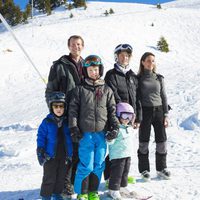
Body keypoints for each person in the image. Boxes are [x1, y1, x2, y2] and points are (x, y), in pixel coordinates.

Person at [68, 55, 119, 200]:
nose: (93, 72)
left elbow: (112, 111)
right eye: (90, 70)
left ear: (100, 70)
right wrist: (73, 128)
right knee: (86, 165)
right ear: (86, 71)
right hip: (86, 134)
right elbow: (73, 111)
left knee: (99, 165)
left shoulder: (107, 90)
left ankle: (93, 192)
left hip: (102, 134)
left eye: (96, 69)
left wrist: (114, 127)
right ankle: (81, 192)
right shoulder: (80, 90)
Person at [45, 35, 84, 197]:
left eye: (79, 44)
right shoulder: (59, 66)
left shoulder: (87, 64)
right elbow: (50, 91)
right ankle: (64, 183)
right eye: (73, 44)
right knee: (66, 151)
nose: (76, 47)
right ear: (69, 46)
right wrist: (55, 113)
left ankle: (74, 182)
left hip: (83, 114)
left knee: (80, 150)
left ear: (83, 46)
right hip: (66, 115)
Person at [104, 44, 141, 181]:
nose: (125, 58)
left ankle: (122, 176)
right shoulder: (111, 74)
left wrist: (137, 117)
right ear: (117, 57)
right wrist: (123, 113)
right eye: (122, 55)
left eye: (127, 55)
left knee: (125, 147)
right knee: (114, 148)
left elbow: (137, 97)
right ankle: (109, 178)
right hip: (117, 116)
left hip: (130, 118)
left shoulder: (133, 76)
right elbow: (112, 94)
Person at [137, 52, 170, 181]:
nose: (151, 63)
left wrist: (166, 114)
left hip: (159, 111)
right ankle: (144, 170)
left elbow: (164, 96)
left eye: (153, 61)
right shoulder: (138, 79)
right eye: (149, 60)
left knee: (162, 141)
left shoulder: (159, 78)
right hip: (145, 112)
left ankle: (162, 168)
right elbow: (137, 97)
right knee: (144, 142)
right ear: (143, 62)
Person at [36, 92, 73, 200]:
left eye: (61, 106)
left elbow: (71, 138)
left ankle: (57, 194)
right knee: (49, 178)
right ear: (51, 107)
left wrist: (71, 153)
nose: (58, 109)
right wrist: (40, 150)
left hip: (64, 156)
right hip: (50, 156)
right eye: (55, 106)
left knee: (61, 178)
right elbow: (41, 137)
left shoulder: (67, 121)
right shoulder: (47, 122)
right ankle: (46, 196)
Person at [107, 102, 135, 200]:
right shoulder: (116, 129)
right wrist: (110, 138)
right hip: (117, 155)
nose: (127, 119)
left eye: (129, 116)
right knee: (117, 173)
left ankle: (123, 187)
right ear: (118, 115)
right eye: (125, 116)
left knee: (125, 172)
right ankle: (113, 189)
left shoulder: (129, 128)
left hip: (127, 154)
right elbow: (109, 142)